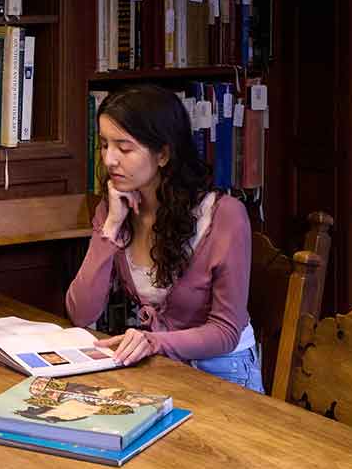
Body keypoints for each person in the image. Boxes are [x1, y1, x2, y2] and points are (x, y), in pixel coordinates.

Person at [66, 84, 263, 392]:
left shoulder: (225, 215)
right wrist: (110, 229)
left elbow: (226, 331)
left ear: (163, 154)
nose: (109, 160)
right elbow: (81, 313)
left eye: (124, 148)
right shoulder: (115, 206)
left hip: (224, 372)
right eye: (104, 145)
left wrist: (152, 341)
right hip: (162, 367)